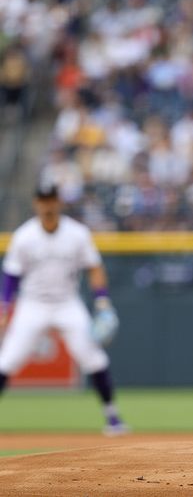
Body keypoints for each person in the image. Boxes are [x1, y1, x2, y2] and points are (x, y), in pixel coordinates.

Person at [0, 183, 129, 436]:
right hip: (33, 304)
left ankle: (112, 417)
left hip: (67, 303)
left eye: (51, 200)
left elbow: (94, 267)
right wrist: (5, 306)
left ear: (59, 202)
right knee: (7, 360)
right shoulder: (24, 236)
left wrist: (102, 301)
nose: (47, 205)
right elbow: (11, 275)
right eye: (43, 200)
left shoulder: (77, 233)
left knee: (93, 358)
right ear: (36, 203)